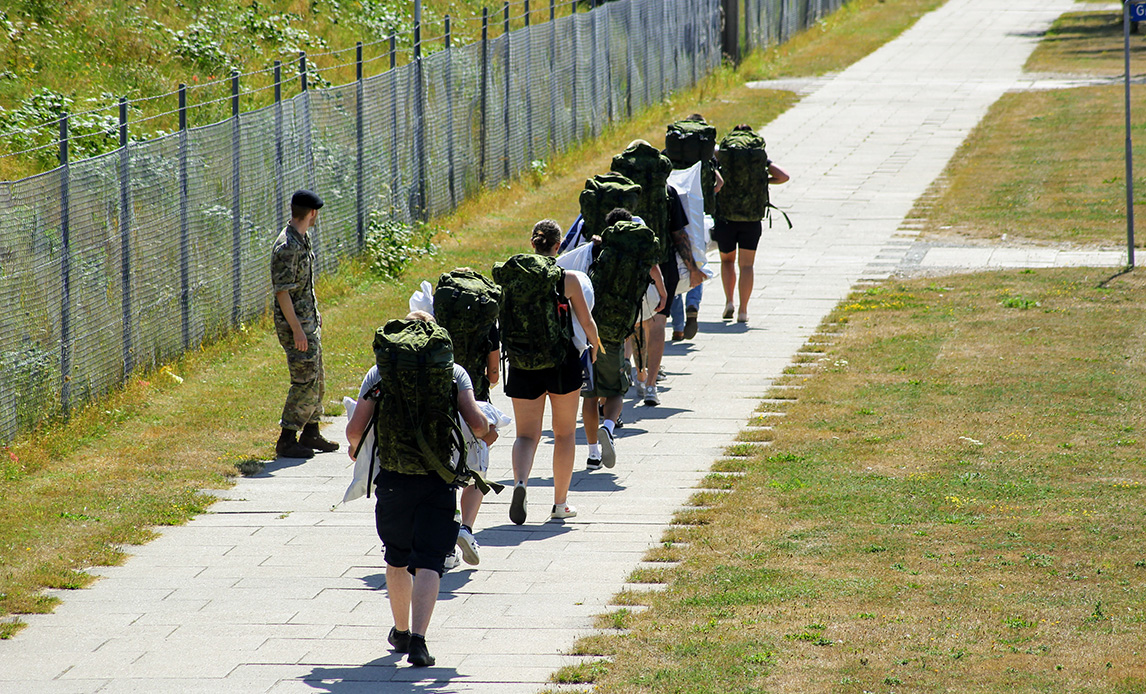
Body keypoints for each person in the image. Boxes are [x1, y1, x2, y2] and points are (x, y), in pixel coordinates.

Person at [345, 311, 496, 668]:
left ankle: (398, 631)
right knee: (429, 561)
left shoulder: (382, 369)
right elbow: (476, 423)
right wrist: (490, 432)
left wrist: (356, 450)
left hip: (394, 479)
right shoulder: (451, 371)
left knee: (396, 558)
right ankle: (419, 641)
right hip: (438, 478)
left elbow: (355, 430)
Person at [496, 220, 599, 524]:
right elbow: (587, 322)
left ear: (532, 244)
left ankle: (520, 484)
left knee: (527, 435)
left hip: (521, 362)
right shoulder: (565, 279)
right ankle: (560, 504)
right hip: (561, 362)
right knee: (565, 433)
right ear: (558, 246)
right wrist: (596, 346)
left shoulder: (510, 278)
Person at [580, 208, 664, 470]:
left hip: (588, 328)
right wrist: (662, 295)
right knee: (616, 390)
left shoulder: (598, 248)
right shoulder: (639, 250)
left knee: (589, 394)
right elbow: (655, 273)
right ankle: (609, 426)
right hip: (618, 329)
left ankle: (593, 452)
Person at [271, 190, 339, 459]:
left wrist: (315, 312)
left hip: (308, 320)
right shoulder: (286, 247)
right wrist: (297, 329)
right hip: (296, 325)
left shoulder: (302, 239)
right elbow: (283, 292)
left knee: (316, 376)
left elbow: (303, 286)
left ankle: (311, 431)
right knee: (303, 380)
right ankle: (287, 439)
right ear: (312, 213)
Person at [714, 124, 789, 324]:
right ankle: (743, 310)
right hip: (752, 218)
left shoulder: (724, 154)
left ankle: (729, 302)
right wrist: (764, 180)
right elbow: (784, 176)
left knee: (727, 261)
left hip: (726, 217)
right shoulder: (756, 157)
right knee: (747, 265)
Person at [638, 186, 704, 406]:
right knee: (657, 324)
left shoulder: (621, 189)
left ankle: (638, 375)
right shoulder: (666, 190)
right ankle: (651, 385)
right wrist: (692, 267)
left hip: (628, 262)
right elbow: (679, 233)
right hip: (663, 263)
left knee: (635, 324)